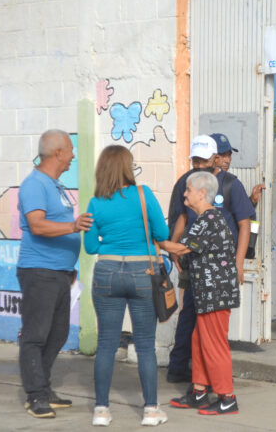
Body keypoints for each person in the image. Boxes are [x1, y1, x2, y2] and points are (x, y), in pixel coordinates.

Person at [84, 145, 169, 427]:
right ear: (127, 167)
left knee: (106, 344)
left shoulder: (96, 202)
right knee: (145, 345)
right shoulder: (143, 195)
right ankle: (151, 410)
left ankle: (101, 411)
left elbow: (89, 246)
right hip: (141, 270)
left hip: (106, 271)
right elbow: (162, 233)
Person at [166, 135, 255, 384]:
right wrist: (174, 246)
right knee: (189, 317)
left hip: (219, 268)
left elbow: (244, 225)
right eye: (194, 159)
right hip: (192, 262)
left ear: (215, 158)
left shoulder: (231, 185)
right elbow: (182, 216)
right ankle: (182, 370)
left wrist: (238, 264)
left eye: (202, 159)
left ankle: (217, 386)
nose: (198, 163)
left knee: (212, 329)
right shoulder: (187, 181)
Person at [17, 129, 93, 418]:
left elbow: (56, 223)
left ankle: (43, 387)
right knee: (36, 335)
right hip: (39, 272)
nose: (73, 155)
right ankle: (36, 396)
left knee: (58, 333)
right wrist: (73, 227)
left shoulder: (55, 185)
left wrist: (68, 268)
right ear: (57, 152)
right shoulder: (34, 185)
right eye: (70, 150)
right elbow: (37, 225)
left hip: (59, 273)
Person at [159, 171, 240, 415]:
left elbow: (181, 248)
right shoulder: (205, 218)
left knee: (214, 344)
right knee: (199, 339)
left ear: (202, 193)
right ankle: (200, 391)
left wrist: (153, 242)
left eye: (188, 190)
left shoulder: (209, 219)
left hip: (216, 293)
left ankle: (227, 397)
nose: (184, 194)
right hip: (207, 292)